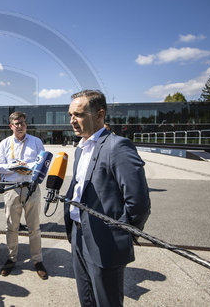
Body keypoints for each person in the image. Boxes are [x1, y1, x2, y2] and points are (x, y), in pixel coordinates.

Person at [64, 90, 151, 307]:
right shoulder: (80, 149)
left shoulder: (118, 146)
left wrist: (123, 235)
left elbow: (138, 203)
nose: (73, 121)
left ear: (100, 114)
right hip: (78, 235)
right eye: (70, 115)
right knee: (86, 300)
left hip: (105, 242)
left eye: (79, 115)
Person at [0, 111, 48, 280]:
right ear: (11, 126)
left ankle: (37, 261)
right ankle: (11, 259)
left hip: (31, 188)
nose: (20, 126)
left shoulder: (36, 141)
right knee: (12, 227)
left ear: (26, 124)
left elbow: (44, 161)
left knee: (34, 227)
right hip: (11, 189)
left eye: (23, 123)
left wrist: (28, 166)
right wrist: (14, 167)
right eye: (17, 123)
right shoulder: (4, 143)